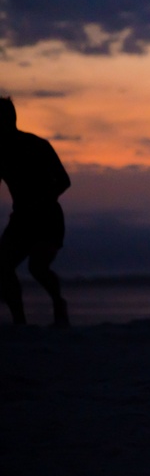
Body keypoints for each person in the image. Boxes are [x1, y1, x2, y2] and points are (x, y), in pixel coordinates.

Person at [0, 96, 71, 327]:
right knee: (2, 267)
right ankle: (19, 321)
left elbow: (63, 181)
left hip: (47, 218)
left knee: (38, 268)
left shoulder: (38, 145)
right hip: (21, 220)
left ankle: (59, 305)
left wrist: (41, 201)